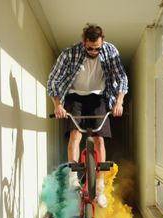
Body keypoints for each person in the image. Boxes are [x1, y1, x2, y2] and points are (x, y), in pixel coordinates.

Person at [47, 24, 128, 208]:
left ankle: (99, 187)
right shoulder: (70, 53)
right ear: (84, 42)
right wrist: (58, 105)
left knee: (99, 139)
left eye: (97, 48)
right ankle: (74, 180)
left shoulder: (110, 51)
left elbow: (122, 77)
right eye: (90, 48)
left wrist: (119, 102)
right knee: (75, 134)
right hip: (75, 96)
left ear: (102, 42)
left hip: (99, 97)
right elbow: (52, 80)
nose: (93, 51)